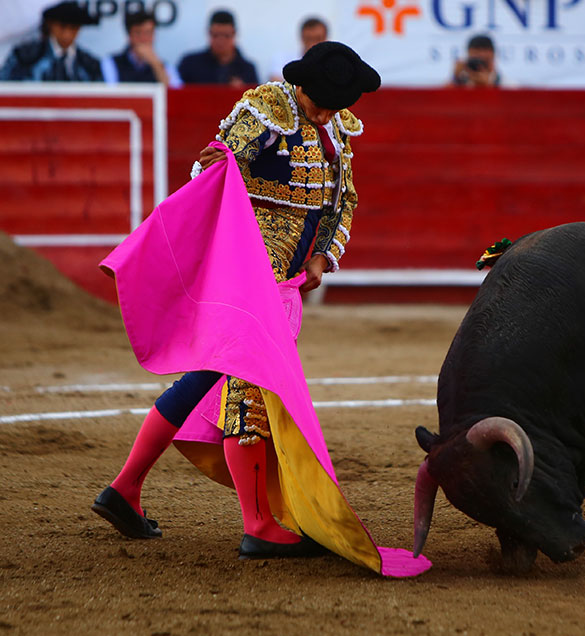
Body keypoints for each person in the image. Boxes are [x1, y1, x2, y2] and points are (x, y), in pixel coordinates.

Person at [92, 42, 380, 560]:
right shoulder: (265, 109)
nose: (326, 114)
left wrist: (322, 258)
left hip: (284, 283)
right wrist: (219, 164)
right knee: (248, 386)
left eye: (336, 106)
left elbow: (344, 200)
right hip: (245, 276)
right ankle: (257, 525)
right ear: (301, 86)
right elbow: (208, 177)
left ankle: (124, 489)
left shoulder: (337, 129)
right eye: (321, 103)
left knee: (205, 379)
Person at [0, 1, 101, 82]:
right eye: (62, 27)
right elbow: (5, 88)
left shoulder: (89, 64)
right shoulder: (24, 56)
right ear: (51, 25)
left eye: (73, 28)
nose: (67, 34)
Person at [100, 10, 182, 87]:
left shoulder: (165, 67)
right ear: (129, 36)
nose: (144, 39)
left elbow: (176, 95)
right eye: (138, 33)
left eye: (148, 33)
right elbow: (111, 95)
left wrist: (156, 65)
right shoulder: (112, 63)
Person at [177, 9, 257, 86]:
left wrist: (241, 92)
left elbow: (257, 98)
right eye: (216, 35)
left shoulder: (247, 69)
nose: (220, 41)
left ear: (234, 34)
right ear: (209, 33)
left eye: (226, 36)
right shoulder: (190, 64)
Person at [269, 16, 328, 83]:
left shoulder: (334, 63)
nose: (313, 44)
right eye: (308, 39)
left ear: (326, 38)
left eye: (317, 39)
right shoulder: (282, 58)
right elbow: (275, 82)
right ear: (302, 37)